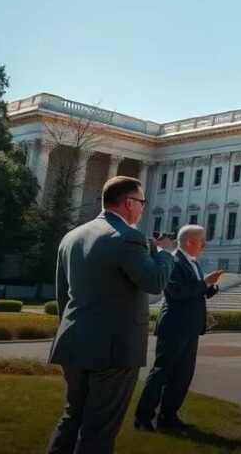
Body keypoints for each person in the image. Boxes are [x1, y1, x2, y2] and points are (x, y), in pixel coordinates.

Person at [47, 176, 175, 454]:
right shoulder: (128, 236)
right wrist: (166, 253)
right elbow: (154, 282)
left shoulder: (71, 237)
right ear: (128, 203)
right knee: (99, 428)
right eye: (141, 202)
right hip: (114, 349)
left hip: (73, 340)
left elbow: (63, 295)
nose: (142, 208)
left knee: (72, 415)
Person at [135, 224, 224, 431]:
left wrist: (212, 285)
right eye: (202, 240)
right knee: (161, 373)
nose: (205, 244)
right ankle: (143, 417)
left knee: (183, 376)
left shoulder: (194, 262)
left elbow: (198, 292)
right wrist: (204, 283)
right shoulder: (173, 261)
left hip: (191, 328)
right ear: (190, 241)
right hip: (174, 327)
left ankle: (168, 416)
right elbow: (177, 292)